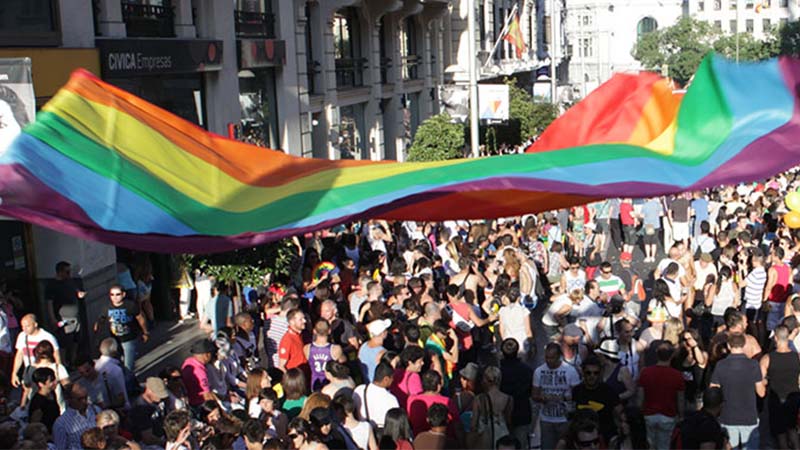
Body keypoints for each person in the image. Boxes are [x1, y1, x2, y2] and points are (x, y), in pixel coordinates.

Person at [709, 333, 765, 450]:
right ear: (744, 344)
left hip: (727, 415)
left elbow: (713, 389)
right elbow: (761, 393)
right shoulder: (753, 365)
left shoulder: (721, 365)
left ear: (729, 346)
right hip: (749, 417)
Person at [637, 342, 685, 450]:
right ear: (671, 355)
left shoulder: (645, 373)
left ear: (657, 354)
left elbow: (640, 398)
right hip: (668, 415)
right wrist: (681, 416)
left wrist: (640, 411)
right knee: (664, 446)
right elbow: (680, 399)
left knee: (650, 445)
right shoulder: (677, 375)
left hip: (649, 414)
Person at [533, 342, 581, 450]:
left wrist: (563, 399)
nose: (549, 361)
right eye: (547, 357)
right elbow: (534, 394)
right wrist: (542, 398)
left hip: (565, 418)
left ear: (559, 356)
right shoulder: (539, 371)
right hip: (546, 418)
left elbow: (578, 394)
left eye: (552, 358)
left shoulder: (570, 371)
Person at [759, 325, 800, 449]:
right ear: (788, 337)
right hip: (794, 398)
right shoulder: (797, 357)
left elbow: (760, 381)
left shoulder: (767, 359)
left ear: (776, 338)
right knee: (792, 429)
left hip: (776, 399)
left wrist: (766, 381)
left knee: (780, 434)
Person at [94, 285, 149, 372]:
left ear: (123, 294)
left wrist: (145, 332)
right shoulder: (106, 307)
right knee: (116, 364)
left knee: (128, 365)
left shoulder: (130, 305)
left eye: (117, 294)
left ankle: (128, 381)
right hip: (113, 340)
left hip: (129, 338)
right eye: (112, 295)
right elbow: (100, 320)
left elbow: (140, 317)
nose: (115, 297)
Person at [44, 261, 86, 366]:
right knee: (64, 341)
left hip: (75, 315)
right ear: (60, 272)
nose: (69, 274)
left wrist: (79, 293)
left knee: (76, 339)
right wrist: (53, 319)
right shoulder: (52, 285)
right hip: (63, 317)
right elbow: (49, 303)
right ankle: (63, 362)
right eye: (67, 272)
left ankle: (73, 360)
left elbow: (75, 290)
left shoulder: (70, 281)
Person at [573, 355, 622, 444]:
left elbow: (620, 413)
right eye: (588, 373)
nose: (592, 376)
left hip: (606, 438)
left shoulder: (608, 391)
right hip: (583, 440)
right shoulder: (576, 391)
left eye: (596, 373)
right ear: (583, 373)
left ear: (600, 373)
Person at [499, 338, 534, 447]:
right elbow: (531, 391)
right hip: (522, 412)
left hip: (502, 415)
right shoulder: (527, 370)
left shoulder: (497, 371)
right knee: (521, 444)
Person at [11, 314, 60, 388]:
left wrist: (58, 373)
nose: (24, 329)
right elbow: (19, 355)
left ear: (35, 324)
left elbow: (57, 356)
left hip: (46, 376)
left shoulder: (47, 337)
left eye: (27, 326)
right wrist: (14, 373)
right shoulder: (22, 336)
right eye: (22, 326)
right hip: (30, 373)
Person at [53, 383, 101, 450]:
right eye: (79, 399)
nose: (84, 401)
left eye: (85, 397)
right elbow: (60, 447)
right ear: (69, 399)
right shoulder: (61, 423)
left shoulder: (95, 410)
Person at [353, 362, 400, 431]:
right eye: (392, 378)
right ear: (386, 379)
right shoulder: (391, 399)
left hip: (363, 432)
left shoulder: (359, 390)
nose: (393, 380)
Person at [127, 377, 170, 445]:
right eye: (158, 393)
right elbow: (148, 438)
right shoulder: (140, 409)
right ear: (149, 390)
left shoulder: (158, 402)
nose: (160, 397)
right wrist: (167, 444)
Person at [305, 320, 344, 391]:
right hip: (331, 384)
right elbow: (342, 360)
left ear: (314, 331)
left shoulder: (307, 348)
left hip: (315, 383)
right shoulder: (335, 349)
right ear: (329, 331)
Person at [181, 339, 218, 408]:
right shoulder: (200, 372)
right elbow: (207, 396)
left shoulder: (188, 361)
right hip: (200, 404)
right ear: (206, 355)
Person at [94, 337, 129, 410]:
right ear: (114, 351)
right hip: (117, 406)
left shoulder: (96, 365)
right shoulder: (116, 370)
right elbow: (122, 390)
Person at [27, 367, 60, 432]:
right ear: (41, 384)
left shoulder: (52, 393)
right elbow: (34, 425)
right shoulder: (38, 402)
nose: (55, 382)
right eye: (51, 380)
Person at [359, 319, 390, 383]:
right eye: (386, 330)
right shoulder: (382, 352)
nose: (387, 332)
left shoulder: (363, 346)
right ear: (382, 333)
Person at [279, 308, 309, 373]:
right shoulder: (287, 340)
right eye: (300, 319)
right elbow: (281, 366)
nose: (304, 321)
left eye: (304, 318)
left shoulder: (301, 335)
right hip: (297, 376)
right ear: (292, 322)